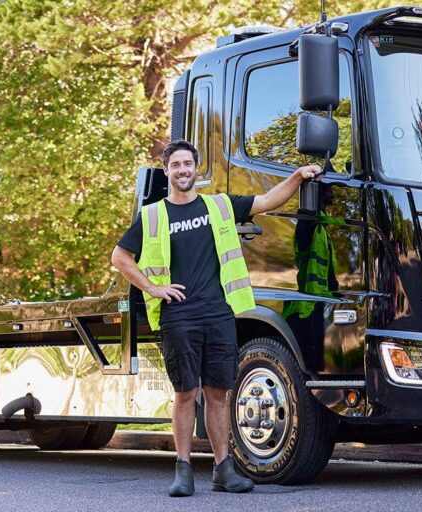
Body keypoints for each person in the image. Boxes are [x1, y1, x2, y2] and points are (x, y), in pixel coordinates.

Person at [110, 140, 321, 497]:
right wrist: (153, 287)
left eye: (187, 164)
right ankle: (183, 470)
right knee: (185, 394)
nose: (182, 170)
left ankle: (224, 470)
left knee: (218, 394)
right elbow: (120, 257)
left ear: (196, 169)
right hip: (179, 317)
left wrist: (298, 176)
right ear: (167, 171)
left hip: (219, 315)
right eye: (175, 165)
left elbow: (267, 201)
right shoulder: (153, 215)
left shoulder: (219, 206)